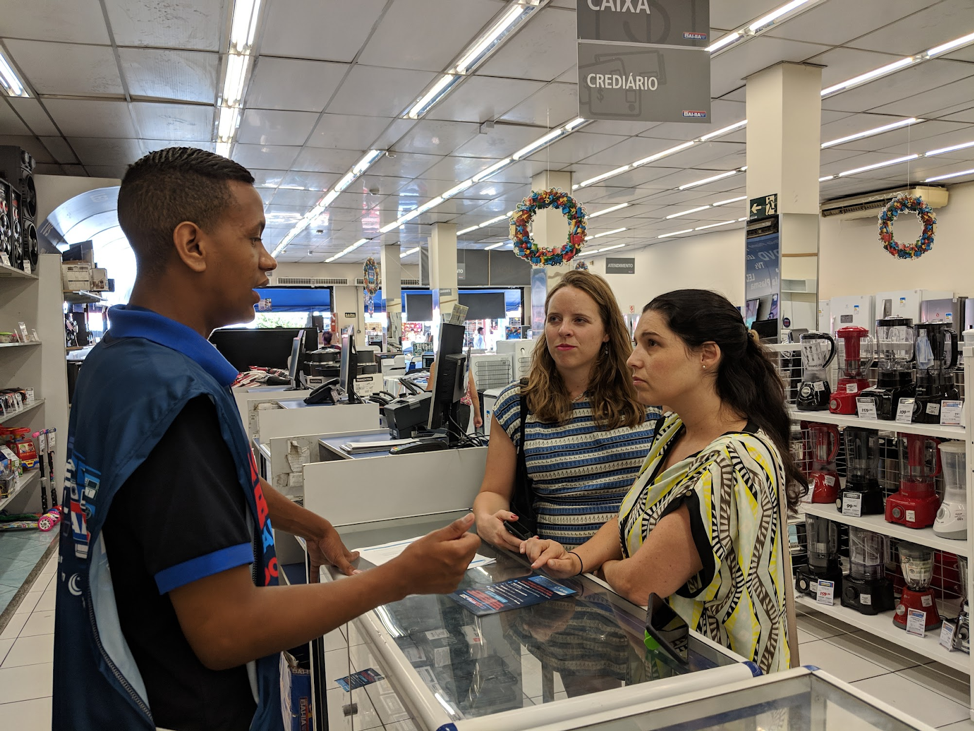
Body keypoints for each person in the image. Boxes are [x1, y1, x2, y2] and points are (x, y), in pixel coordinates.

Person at [53, 147, 481, 731]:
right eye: (254, 238)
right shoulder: (173, 401)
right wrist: (399, 578)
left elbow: (215, 481)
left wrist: (311, 524)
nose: (269, 261)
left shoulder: (117, 363)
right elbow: (227, 630)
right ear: (193, 245)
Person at [523, 289, 807, 674]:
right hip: (667, 657)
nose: (633, 359)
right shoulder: (673, 430)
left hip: (723, 675)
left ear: (708, 355)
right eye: (637, 342)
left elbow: (640, 582)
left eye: (652, 344)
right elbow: (629, 518)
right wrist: (576, 559)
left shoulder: (732, 460)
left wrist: (604, 570)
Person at [473, 270, 660, 551]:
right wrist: (487, 519)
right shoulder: (518, 403)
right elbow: (492, 492)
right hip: (552, 565)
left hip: (635, 564)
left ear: (607, 331)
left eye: (580, 320)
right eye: (554, 319)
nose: (564, 330)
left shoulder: (647, 395)